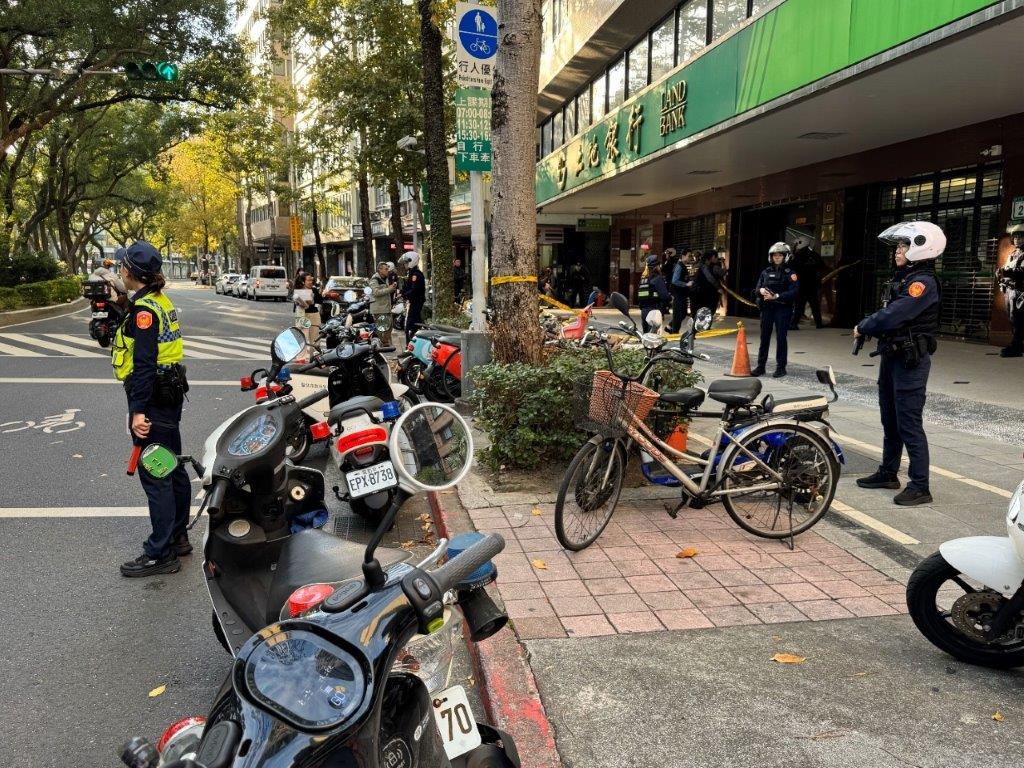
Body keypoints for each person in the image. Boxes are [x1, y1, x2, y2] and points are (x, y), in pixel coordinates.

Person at [112, 241, 191, 577]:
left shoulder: (145, 311)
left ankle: (160, 552)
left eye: (122, 266)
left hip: (154, 398)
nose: (119, 270)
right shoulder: (157, 300)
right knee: (172, 467)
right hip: (168, 394)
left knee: (156, 472)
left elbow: (144, 365)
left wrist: (138, 412)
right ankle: (178, 537)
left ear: (130, 271)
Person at [854, 221, 944, 506]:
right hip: (893, 356)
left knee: (909, 423)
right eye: (898, 246)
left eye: (904, 246)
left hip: (910, 361)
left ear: (922, 248)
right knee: (890, 419)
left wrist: (864, 325)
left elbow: (896, 313)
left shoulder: (922, 283)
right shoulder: (905, 278)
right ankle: (888, 472)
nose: (898, 251)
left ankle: (920, 486)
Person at [751, 243, 799, 378]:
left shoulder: (790, 273)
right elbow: (757, 289)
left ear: (785, 257)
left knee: (781, 338)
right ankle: (761, 367)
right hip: (767, 308)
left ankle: (781, 368)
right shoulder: (765, 272)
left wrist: (777, 296)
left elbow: (794, 292)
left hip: (782, 308)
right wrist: (760, 291)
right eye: (774, 255)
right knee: (764, 337)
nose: (777, 257)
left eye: (780, 255)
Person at [997, 223, 1024, 357]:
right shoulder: (1013, 253)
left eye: (1021, 237)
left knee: (1019, 320)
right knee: (1013, 319)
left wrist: (1006, 271)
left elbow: (1022, 271)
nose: (1017, 239)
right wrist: (1000, 274)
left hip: (1020, 292)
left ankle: (1016, 347)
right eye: (1016, 237)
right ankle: (1018, 345)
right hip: (1010, 291)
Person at [790, 237, 825, 329]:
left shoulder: (797, 256)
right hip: (812, 284)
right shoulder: (814, 255)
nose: (795, 246)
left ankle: (794, 324)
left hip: (802, 285)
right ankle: (819, 324)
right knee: (814, 305)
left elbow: (791, 268)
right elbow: (822, 266)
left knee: (799, 305)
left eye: (797, 244)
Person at [637, 254, 670, 333]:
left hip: (644, 312)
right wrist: (671, 298)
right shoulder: (657, 279)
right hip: (654, 312)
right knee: (654, 338)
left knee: (646, 337)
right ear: (657, 266)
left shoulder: (643, 280)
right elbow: (665, 297)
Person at [691, 250, 725, 324]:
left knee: (699, 312)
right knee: (707, 311)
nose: (717, 259)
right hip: (703, 293)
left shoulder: (696, 265)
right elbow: (711, 277)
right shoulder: (705, 266)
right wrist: (718, 288)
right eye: (716, 257)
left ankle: (698, 326)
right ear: (712, 257)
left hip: (696, 292)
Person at [400, 250, 426, 341]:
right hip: (413, 302)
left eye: (406, 262)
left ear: (411, 261)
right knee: (413, 325)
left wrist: (404, 294)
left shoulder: (416, 274)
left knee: (410, 326)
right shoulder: (412, 273)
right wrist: (403, 292)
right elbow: (409, 287)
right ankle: (411, 344)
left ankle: (410, 345)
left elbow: (414, 290)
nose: (405, 264)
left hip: (416, 303)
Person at [369, 261, 394, 345]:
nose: (388, 271)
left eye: (388, 269)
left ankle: (386, 344)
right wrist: (389, 289)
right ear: (380, 270)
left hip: (385, 307)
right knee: (382, 329)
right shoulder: (375, 279)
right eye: (386, 269)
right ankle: (383, 345)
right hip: (379, 308)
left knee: (389, 327)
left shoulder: (385, 278)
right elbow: (376, 292)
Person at [668, 247, 693, 332]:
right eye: (689, 256)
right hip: (678, 295)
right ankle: (674, 332)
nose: (690, 258)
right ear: (683, 256)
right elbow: (675, 281)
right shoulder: (679, 266)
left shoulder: (682, 266)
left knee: (682, 314)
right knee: (678, 315)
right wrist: (686, 284)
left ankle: (670, 327)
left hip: (682, 295)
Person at [294, 274, 322, 343]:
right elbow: (295, 306)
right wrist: (299, 302)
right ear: (303, 281)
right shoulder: (298, 291)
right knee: (303, 338)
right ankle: (304, 350)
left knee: (315, 338)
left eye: (311, 280)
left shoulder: (314, 290)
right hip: (302, 316)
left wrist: (315, 304)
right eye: (309, 280)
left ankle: (314, 350)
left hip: (314, 315)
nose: (311, 282)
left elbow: (320, 301)